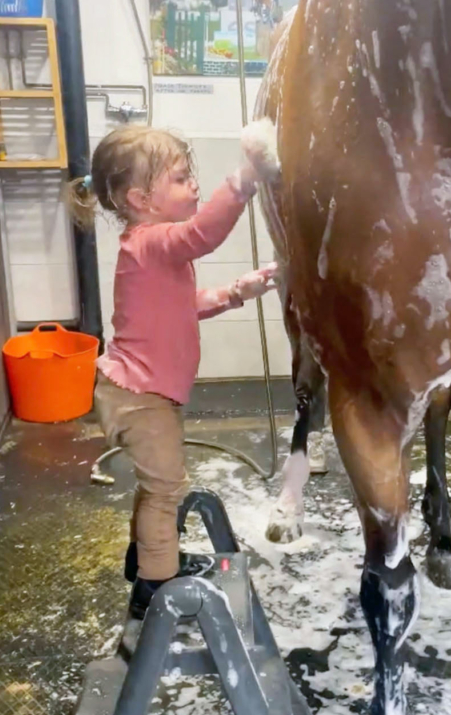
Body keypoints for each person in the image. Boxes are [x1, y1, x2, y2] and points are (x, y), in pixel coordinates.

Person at [69, 120, 281, 620]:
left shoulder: (149, 249)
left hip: (143, 392)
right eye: (183, 179)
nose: (195, 186)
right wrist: (244, 179)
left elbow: (183, 305)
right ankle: (155, 588)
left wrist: (235, 292)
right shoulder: (151, 242)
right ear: (142, 199)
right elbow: (204, 233)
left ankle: (146, 557)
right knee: (167, 488)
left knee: (155, 487)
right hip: (141, 396)